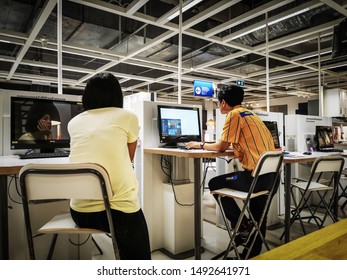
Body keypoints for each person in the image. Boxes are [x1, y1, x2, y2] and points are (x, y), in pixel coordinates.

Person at [185, 85, 276, 259]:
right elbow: (234, 142)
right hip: (270, 178)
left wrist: (200, 144)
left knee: (215, 183)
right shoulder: (252, 115)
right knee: (259, 218)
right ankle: (250, 255)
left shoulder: (233, 115)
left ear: (224, 102)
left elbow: (220, 147)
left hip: (254, 179)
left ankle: (241, 225)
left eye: (219, 103)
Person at [67, 72, 151, 260]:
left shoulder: (73, 122)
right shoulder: (128, 117)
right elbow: (128, 159)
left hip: (80, 212)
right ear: (117, 95)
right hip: (118, 212)